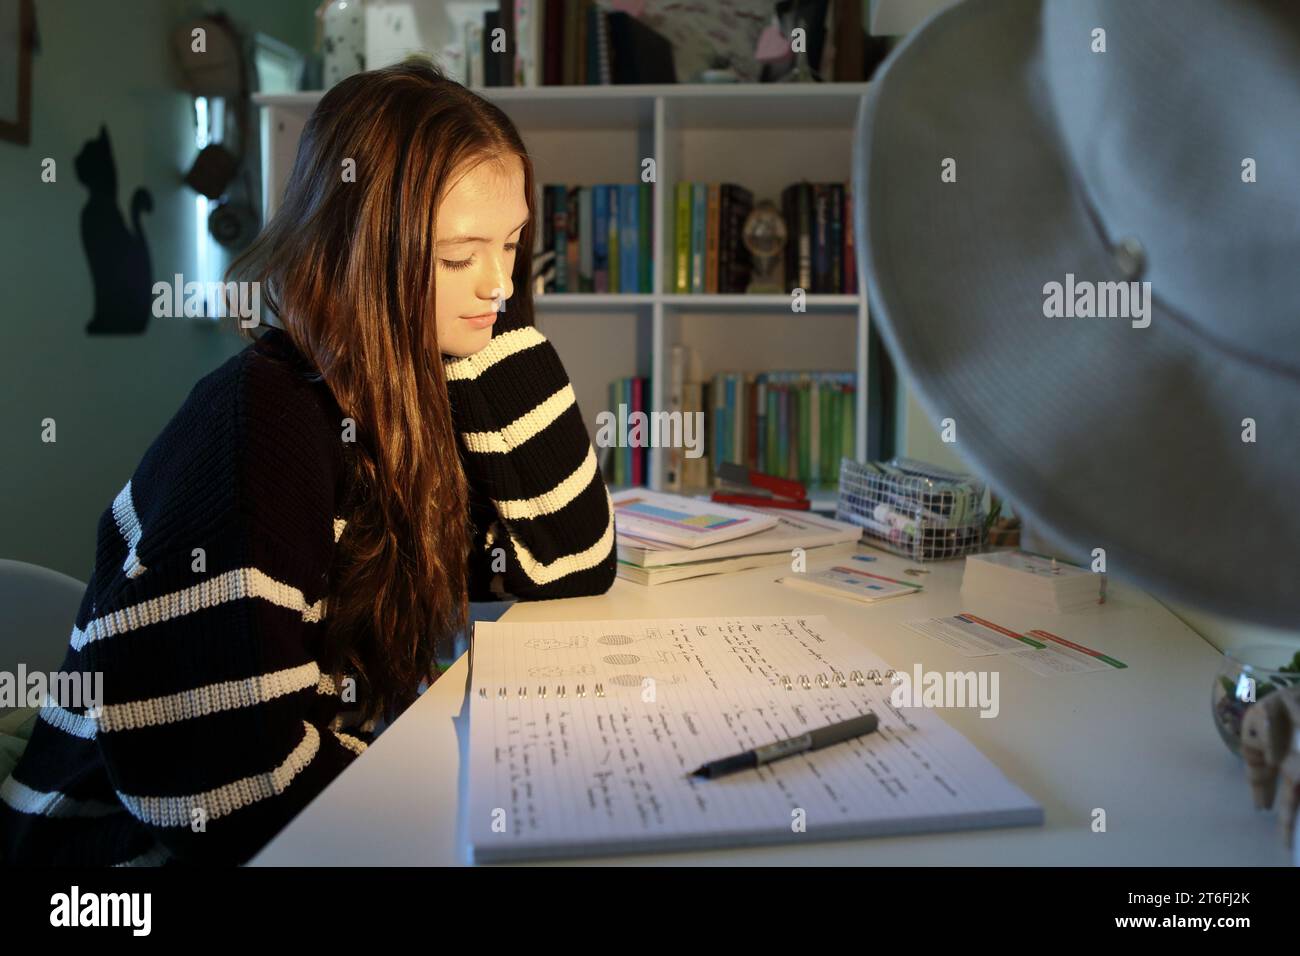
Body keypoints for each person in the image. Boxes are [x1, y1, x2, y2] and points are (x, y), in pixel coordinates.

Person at [0, 59, 617, 866]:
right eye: (459, 257)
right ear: (361, 250)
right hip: (111, 854)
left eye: (511, 244)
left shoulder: (410, 393)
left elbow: (570, 571)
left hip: (296, 804)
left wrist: (500, 355)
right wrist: (455, 794)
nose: (500, 284)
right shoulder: (260, 428)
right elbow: (232, 783)